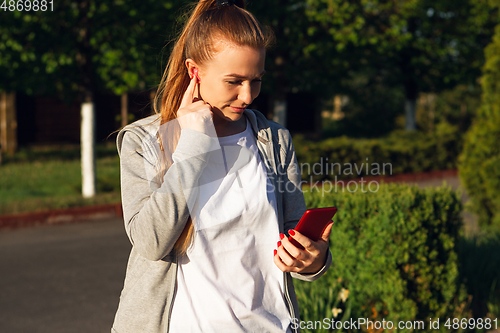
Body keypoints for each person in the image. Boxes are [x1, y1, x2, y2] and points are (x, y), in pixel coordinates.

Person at [112, 0, 333, 332]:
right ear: (194, 72)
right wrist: (194, 145)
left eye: (256, 80)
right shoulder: (145, 141)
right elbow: (151, 241)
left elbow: (293, 233)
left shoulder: (273, 140)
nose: (247, 96)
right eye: (234, 81)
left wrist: (313, 259)